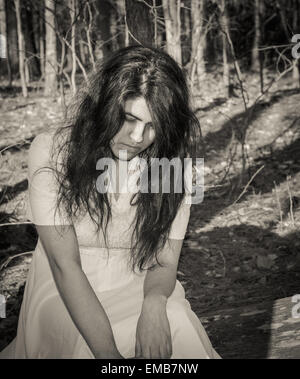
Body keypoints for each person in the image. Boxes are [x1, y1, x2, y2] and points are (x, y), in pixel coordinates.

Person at [0, 45, 220, 359]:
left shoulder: (172, 168)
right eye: (129, 119)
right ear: (106, 105)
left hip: (142, 282)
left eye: (152, 126)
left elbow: (165, 261)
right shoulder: (52, 152)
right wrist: (109, 358)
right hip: (65, 287)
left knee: (180, 329)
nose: (137, 137)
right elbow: (65, 265)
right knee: (84, 350)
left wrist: (155, 304)